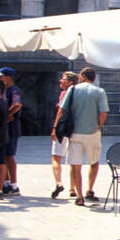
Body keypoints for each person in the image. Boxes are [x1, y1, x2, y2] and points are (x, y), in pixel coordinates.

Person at [57, 68, 108, 207]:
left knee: (75, 164)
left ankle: (79, 196)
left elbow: (62, 109)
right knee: (94, 162)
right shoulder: (99, 91)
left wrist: (55, 127)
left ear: (83, 76)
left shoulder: (73, 89)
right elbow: (103, 112)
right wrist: (99, 125)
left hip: (75, 132)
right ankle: (90, 189)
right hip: (92, 132)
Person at [0, 67, 23, 193]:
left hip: (11, 127)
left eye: (1, 76)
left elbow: (17, 105)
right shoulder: (3, 90)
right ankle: (5, 181)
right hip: (4, 126)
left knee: (9, 155)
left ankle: (14, 184)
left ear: (8, 77)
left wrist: (7, 115)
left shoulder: (13, 90)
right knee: (3, 154)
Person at [48, 71, 77, 199]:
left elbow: (60, 111)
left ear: (70, 82)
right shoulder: (79, 93)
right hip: (74, 128)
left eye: (63, 79)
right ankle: (72, 188)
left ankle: (59, 183)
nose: (60, 81)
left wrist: (54, 128)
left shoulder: (64, 93)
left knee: (56, 158)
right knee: (73, 160)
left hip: (62, 128)